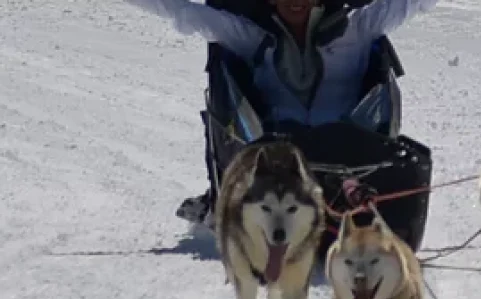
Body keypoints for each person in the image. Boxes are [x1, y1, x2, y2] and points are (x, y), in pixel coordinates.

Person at [124, 0, 440, 227]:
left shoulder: (360, 27)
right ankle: (220, 200)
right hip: (277, 162)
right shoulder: (250, 37)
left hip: (350, 156)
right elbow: (185, 13)